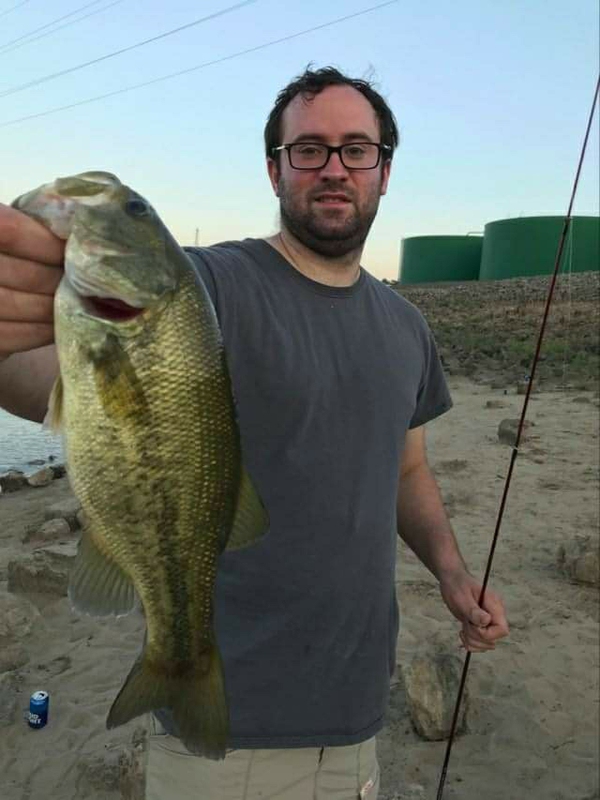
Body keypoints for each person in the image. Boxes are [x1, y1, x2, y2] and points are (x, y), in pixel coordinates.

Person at [0, 66, 509, 800]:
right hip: (225, 733)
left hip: (356, 715)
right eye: (309, 150)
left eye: (355, 149)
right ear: (275, 170)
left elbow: (406, 473)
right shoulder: (206, 288)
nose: (334, 167)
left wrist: (454, 576)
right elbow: (44, 378)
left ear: (385, 171)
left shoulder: (407, 329)